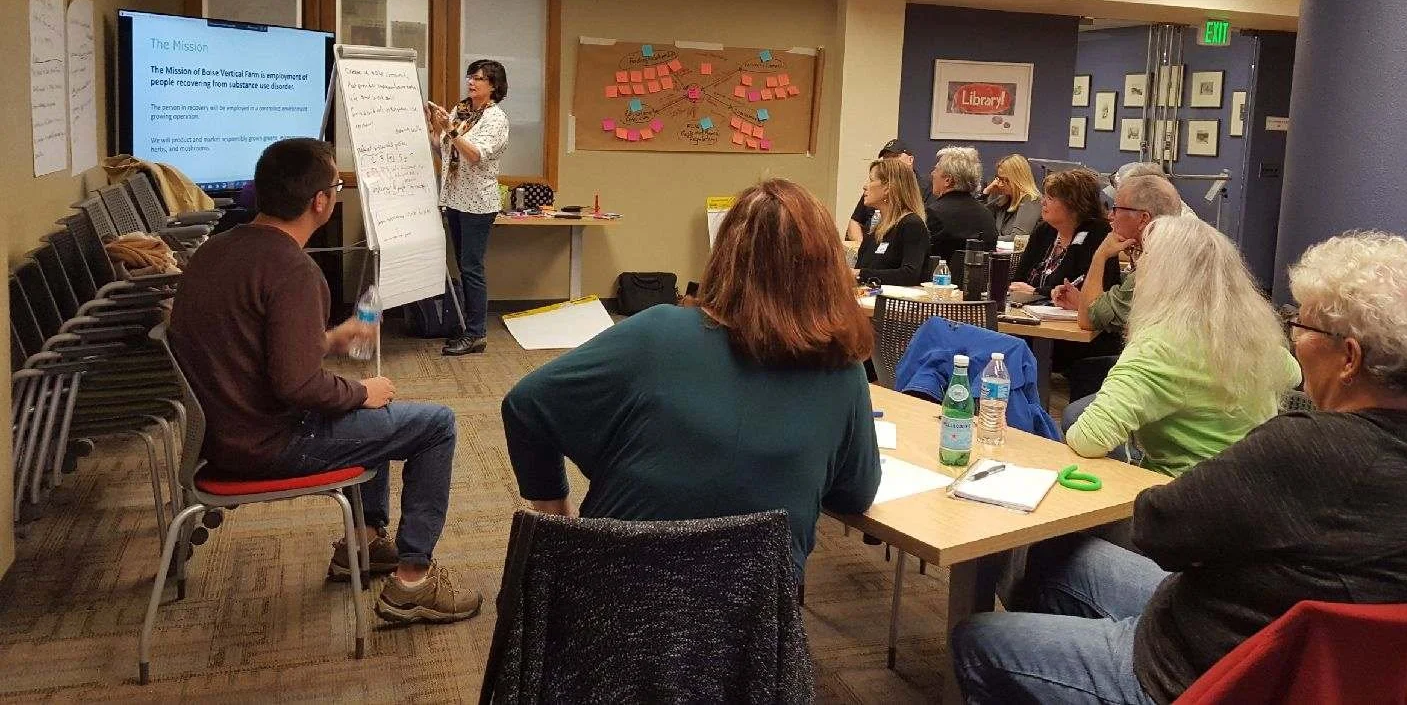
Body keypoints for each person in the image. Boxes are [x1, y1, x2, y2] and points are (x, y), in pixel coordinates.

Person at [954, 231, 1407, 705]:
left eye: (1301, 324)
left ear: (1348, 358)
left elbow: (1158, 526)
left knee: (976, 639)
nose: (1295, 341)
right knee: (1057, 561)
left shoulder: (1303, 449)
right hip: (1263, 639)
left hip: (1199, 669)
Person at [169, 138, 481, 626]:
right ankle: (413, 582)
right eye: (335, 184)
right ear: (321, 202)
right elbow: (297, 386)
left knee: (371, 412)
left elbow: (247, 344)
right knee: (434, 423)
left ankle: (361, 542)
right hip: (269, 443)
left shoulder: (214, 253)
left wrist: (328, 339)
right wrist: (362, 392)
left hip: (222, 434)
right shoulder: (296, 270)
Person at [501, 178, 882, 574]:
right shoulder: (840, 367)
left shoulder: (655, 335)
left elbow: (526, 404)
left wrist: (556, 521)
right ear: (828, 270)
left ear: (726, 256)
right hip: (752, 626)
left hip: (610, 609)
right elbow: (854, 496)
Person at [1061, 215, 1299, 477]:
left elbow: (1089, 438)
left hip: (1182, 496)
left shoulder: (1159, 346)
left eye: (1140, 257)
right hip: (1254, 486)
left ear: (1158, 274)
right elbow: (1292, 374)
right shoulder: (1253, 333)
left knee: (1075, 419)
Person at [426, 59, 510, 357]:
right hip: (455, 198)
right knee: (463, 266)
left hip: (478, 202)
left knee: (472, 268)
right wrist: (437, 129)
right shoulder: (461, 112)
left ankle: (476, 334)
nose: (471, 83)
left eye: (478, 78)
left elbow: (475, 155)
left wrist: (450, 130)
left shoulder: (495, 119)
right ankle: (468, 328)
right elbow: (444, 150)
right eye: (470, 77)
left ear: (494, 86)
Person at [1058, 173, 1184, 334]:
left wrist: (1100, 255)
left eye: (1116, 209)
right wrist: (1082, 302)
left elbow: (1087, 320)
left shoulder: (1154, 265)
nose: (1110, 215)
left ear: (1143, 219)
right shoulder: (1174, 251)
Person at [1008, 168, 1116, 303]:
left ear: (1073, 204)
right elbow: (1018, 280)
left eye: (1050, 198)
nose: (1043, 202)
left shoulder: (1097, 233)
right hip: (1028, 310)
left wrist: (1036, 291)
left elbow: (1072, 288)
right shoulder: (1045, 230)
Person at [926, 146, 998, 285]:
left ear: (948, 180)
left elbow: (924, 263)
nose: (932, 174)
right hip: (979, 295)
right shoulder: (986, 214)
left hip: (941, 293)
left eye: (936, 170)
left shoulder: (934, 213)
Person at [854, 157, 931, 286]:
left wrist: (860, 274)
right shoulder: (876, 230)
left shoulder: (911, 225)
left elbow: (909, 274)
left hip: (896, 303)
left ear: (888, 188)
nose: (865, 186)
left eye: (871, 180)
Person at [846, 139, 928, 242]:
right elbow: (855, 220)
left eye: (894, 157)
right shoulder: (874, 192)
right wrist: (861, 246)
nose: (889, 162)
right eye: (886, 159)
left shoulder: (911, 222)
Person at [983, 154, 1043, 240]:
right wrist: (986, 193)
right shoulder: (1004, 200)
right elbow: (979, 220)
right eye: (999, 179)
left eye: (1005, 180)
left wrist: (986, 240)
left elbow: (1017, 238)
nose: (1000, 184)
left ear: (1018, 179)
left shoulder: (1032, 200)